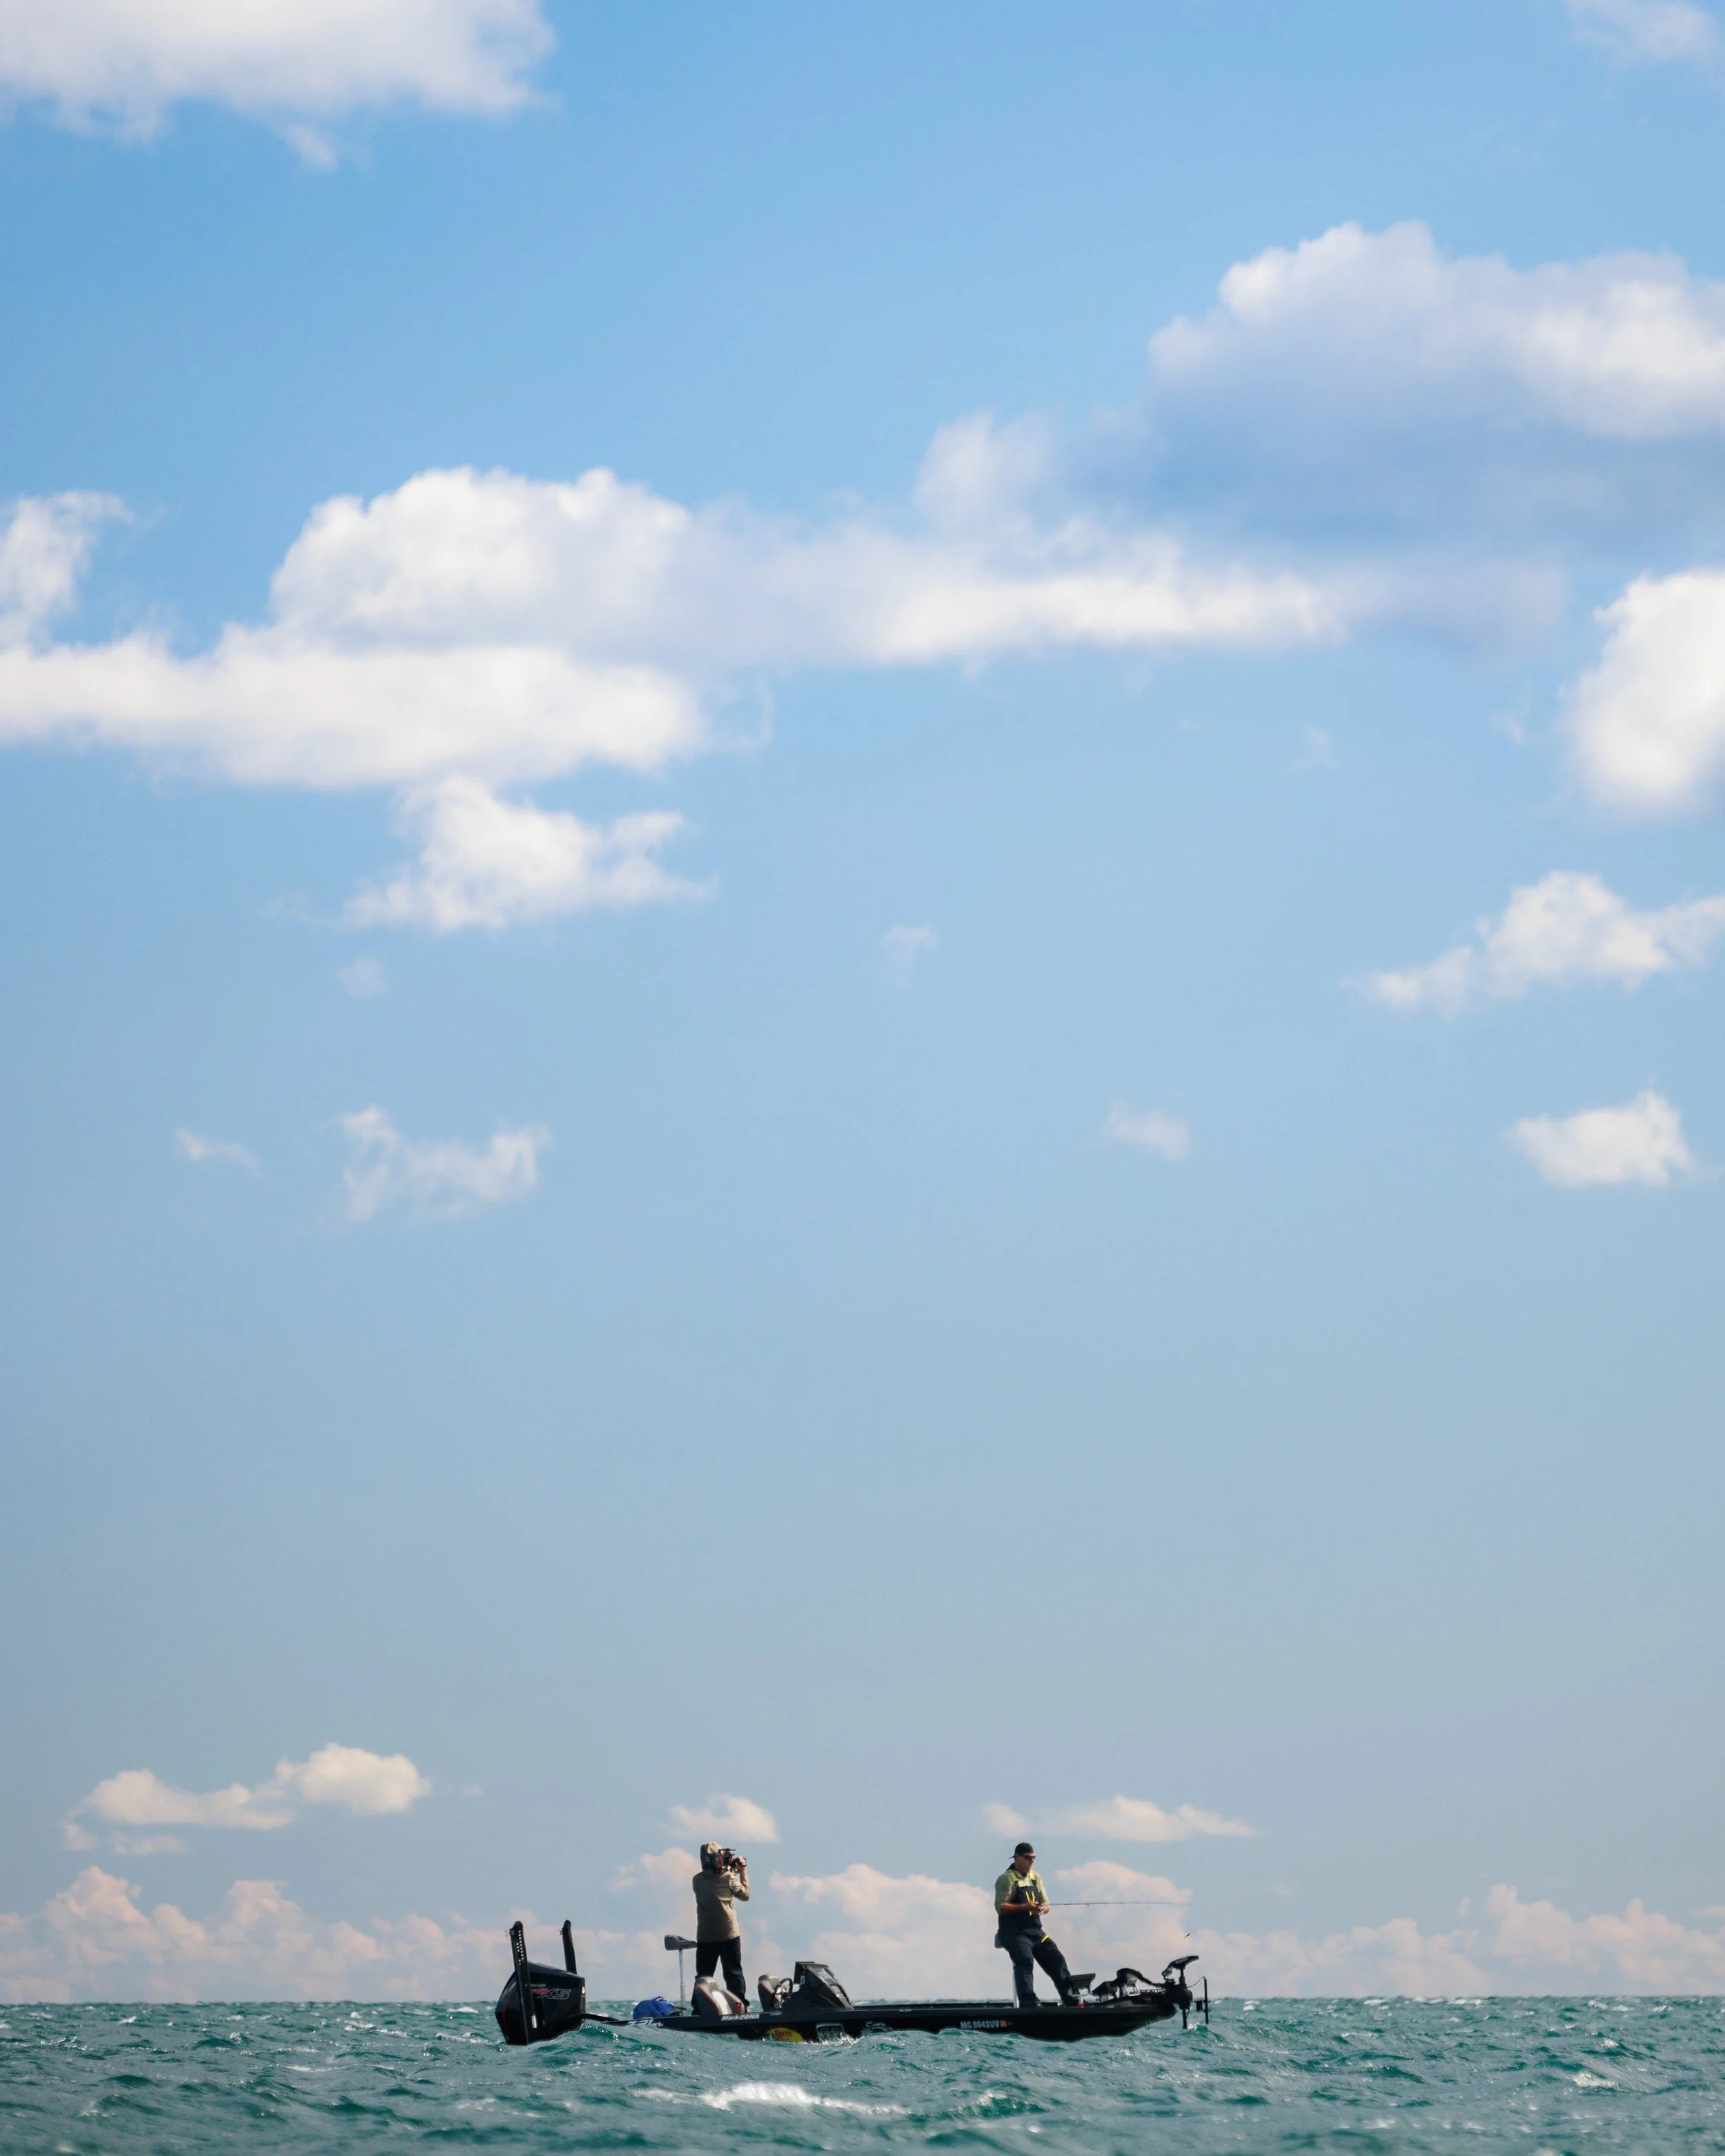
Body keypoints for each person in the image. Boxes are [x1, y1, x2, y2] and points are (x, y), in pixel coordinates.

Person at [994, 1841, 1078, 2007]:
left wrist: (1043, 1909)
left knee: (1057, 1960)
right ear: (1018, 1858)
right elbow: (1001, 1907)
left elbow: (1046, 1904)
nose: (1032, 1861)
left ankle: (1071, 2000)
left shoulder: (1035, 1877)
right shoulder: (1007, 1879)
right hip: (1014, 1934)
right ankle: (1028, 2003)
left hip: (1036, 1933)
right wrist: (1025, 1907)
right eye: (1028, 1858)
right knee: (1025, 1961)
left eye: (1034, 1858)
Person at [691, 1842, 749, 2003]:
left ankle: (698, 2008)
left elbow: (715, 1882)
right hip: (729, 1935)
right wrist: (742, 1872)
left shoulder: (696, 1880)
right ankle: (740, 2006)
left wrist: (731, 1870)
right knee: (733, 1973)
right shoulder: (730, 1878)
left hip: (705, 1937)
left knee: (703, 1977)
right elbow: (745, 1894)